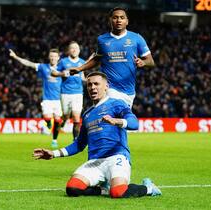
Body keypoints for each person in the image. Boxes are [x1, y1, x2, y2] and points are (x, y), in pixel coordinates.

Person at [33, 72, 161, 198]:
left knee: (118, 192)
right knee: (72, 188)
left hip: (116, 157)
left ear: (106, 86)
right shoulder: (87, 114)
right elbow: (79, 144)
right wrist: (53, 154)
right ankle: (103, 190)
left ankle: (149, 187)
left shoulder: (116, 103)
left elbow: (134, 123)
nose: (92, 87)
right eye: (89, 85)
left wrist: (117, 121)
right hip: (95, 161)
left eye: (96, 84)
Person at [69, 7, 155, 108]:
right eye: (115, 17)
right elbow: (98, 58)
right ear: (110, 20)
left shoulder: (136, 38)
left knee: (118, 121)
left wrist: (144, 62)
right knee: (108, 115)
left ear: (127, 21)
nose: (118, 20)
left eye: (122, 18)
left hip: (128, 91)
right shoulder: (102, 39)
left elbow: (151, 61)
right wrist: (79, 69)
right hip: (108, 88)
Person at [9, 48, 63, 148]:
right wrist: (16, 57)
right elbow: (29, 64)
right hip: (47, 99)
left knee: (58, 120)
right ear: (49, 57)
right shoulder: (43, 67)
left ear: (58, 58)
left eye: (55, 56)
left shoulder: (62, 68)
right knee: (47, 117)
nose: (53, 58)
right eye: (51, 56)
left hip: (58, 100)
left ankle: (54, 140)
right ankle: (48, 124)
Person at [51, 41, 85, 138]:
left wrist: (87, 80)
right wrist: (63, 74)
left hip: (78, 93)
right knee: (65, 115)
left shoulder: (82, 62)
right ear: (69, 50)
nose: (74, 50)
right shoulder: (63, 61)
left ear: (79, 50)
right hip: (65, 93)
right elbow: (53, 73)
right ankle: (63, 122)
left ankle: (75, 142)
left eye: (76, 48)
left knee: (76, 117)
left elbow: (82, 76)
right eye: (72, 48)